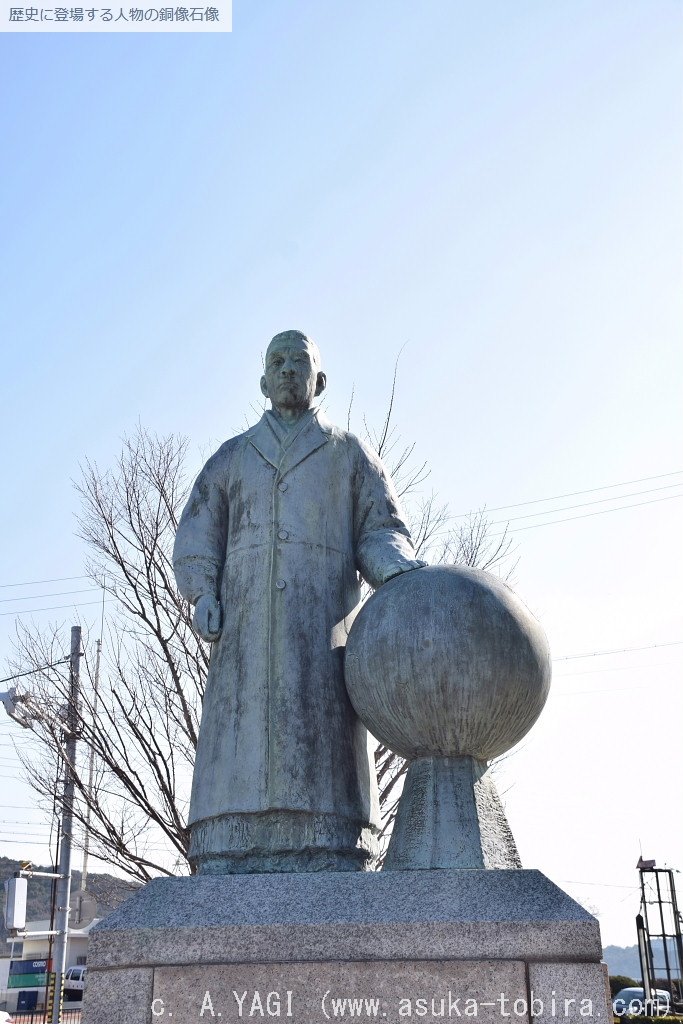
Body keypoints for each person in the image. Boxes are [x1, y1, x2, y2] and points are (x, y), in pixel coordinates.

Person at [173, 330, 425, 873]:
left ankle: (331, 838)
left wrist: (395, 570)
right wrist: (203, 591)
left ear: (320, 379)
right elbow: (196, 537)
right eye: (277, 361)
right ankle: (227, 840)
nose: (288, 369)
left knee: (322, 760)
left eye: (300, 361)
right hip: (243, 638)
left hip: (321, 639)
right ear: (263, 381)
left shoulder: (350, 455)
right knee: (238, 759)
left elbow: (382, 530)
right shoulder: (233, 458)